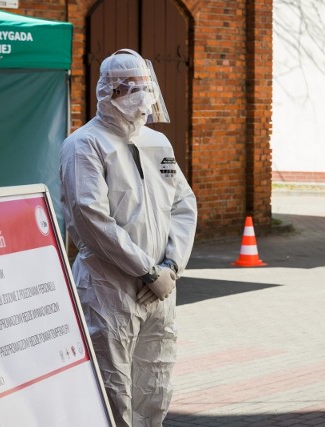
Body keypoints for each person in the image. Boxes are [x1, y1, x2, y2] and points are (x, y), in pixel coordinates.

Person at [59, 49, 198, 426]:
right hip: (111, 287)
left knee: (155, 382)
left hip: (161, 288)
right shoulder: (85, 146)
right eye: (129, 88)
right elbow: (91, 219)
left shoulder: (157, 144)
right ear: (109, 92)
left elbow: (182, 203)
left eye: (143, 87)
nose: (139, 97)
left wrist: (171, 265)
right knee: (111, 388)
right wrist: (145, 270)